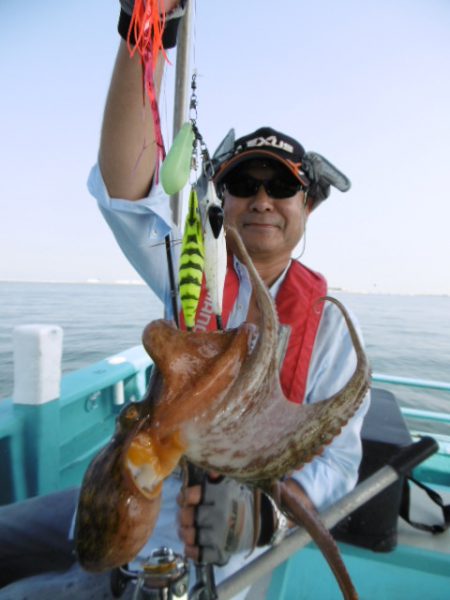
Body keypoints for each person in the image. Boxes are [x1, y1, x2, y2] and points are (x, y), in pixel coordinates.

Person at [0, 2, 370, 599]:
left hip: (182, 565)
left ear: (308, 205)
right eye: (243, 184)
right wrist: (145, 25)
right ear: (220, 196)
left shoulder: (327, 332)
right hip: (112, 495)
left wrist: (259, 518)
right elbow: (127, 186)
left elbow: (336, 467)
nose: (261, 199)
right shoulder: (194, 270)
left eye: (281, 186)